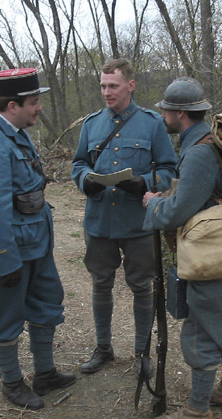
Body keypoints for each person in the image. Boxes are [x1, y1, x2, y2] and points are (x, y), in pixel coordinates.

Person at [142, 77, 222, 419]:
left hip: (208, 253)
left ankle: (196, 412)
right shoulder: (213, 141)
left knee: (202, 327)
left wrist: (154, 204)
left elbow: (178, 213)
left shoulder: (199, 153)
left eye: (166, 109)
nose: (162, 114)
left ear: (180, 113)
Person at [0, 68, 76, 410]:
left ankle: (45, 373)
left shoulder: (16, 131)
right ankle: (12, 382)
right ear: (13, 105)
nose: (39, 108)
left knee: (45, 305)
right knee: (5, 315)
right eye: (34, 102)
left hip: (34, 243)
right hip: (8, 250)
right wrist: (4, 257)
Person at [71, 58, 177, 376]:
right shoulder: (91, 124)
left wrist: (144, 183)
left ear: (130, 85)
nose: (106, 92)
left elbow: (169, 170)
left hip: (138, 223)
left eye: (113, 86)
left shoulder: (152, 123)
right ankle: (103, 348)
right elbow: (78, 165)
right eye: (103, 86)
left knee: (142, 287)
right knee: (101, 284)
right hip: (100, 221)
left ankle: (142, 352)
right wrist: (85, 180)